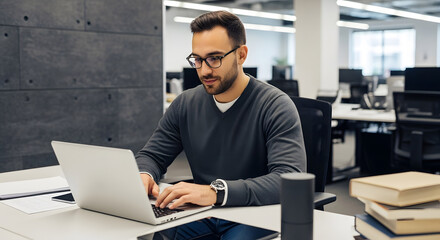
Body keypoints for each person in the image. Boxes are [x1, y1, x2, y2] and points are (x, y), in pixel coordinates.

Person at [136, 10, 305, 210]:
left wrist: (216, 192)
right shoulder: (185, 104)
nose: (204, 70)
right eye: (197, 59)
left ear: (241, 55)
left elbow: (289, 179)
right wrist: (144, 174)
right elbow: (152, 156)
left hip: (253, 213)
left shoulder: (275, 105)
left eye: (214, 58)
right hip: (200, 212)